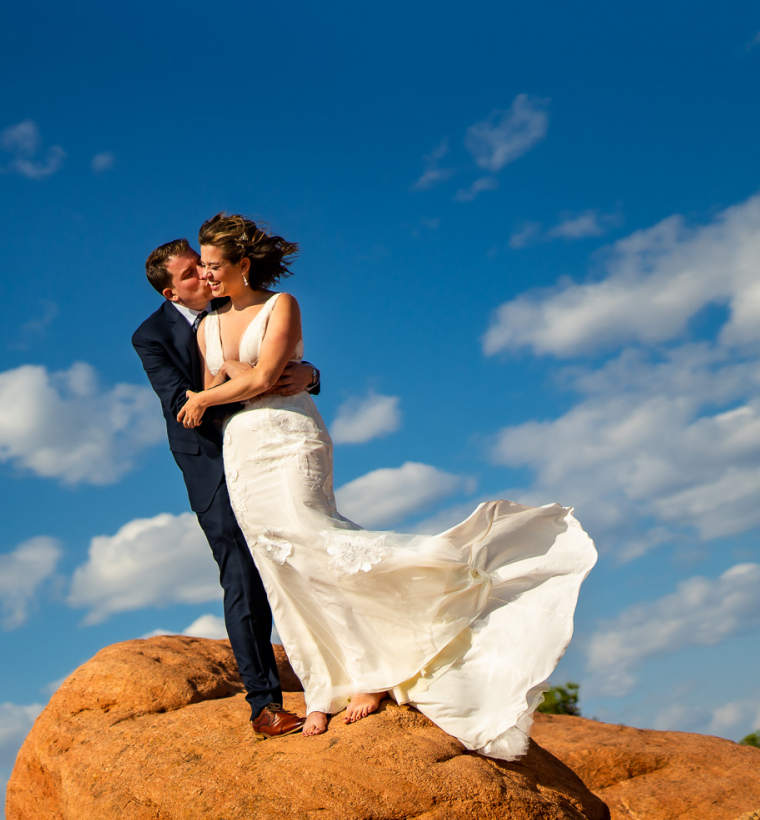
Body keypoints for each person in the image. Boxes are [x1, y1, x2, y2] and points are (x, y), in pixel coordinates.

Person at [176, 213, 596, 758]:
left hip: (288, 436)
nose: (206, 277)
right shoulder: (206, 325)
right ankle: (326, 686)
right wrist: (221, 387)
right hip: (242, 448)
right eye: (203, 269)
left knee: (315, 539)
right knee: (280, 564)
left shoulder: (281, 305)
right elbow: (226, 384)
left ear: (242, 263)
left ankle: (386, 653)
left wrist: (211, 394)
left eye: (213, 266)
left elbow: (258, 379)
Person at [132, 239, 320, 737]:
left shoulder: (235, 303)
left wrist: (309, 374)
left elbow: (279, 356)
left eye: (205, 266)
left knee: (305, 545)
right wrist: (255, 379)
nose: (205, 276)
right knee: (240, 571)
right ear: (171, 290)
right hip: (210, 460)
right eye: (192, 274)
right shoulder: (150, 335)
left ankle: (336, 672)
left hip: (268, 446)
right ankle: (264, 705)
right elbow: (182, 401)